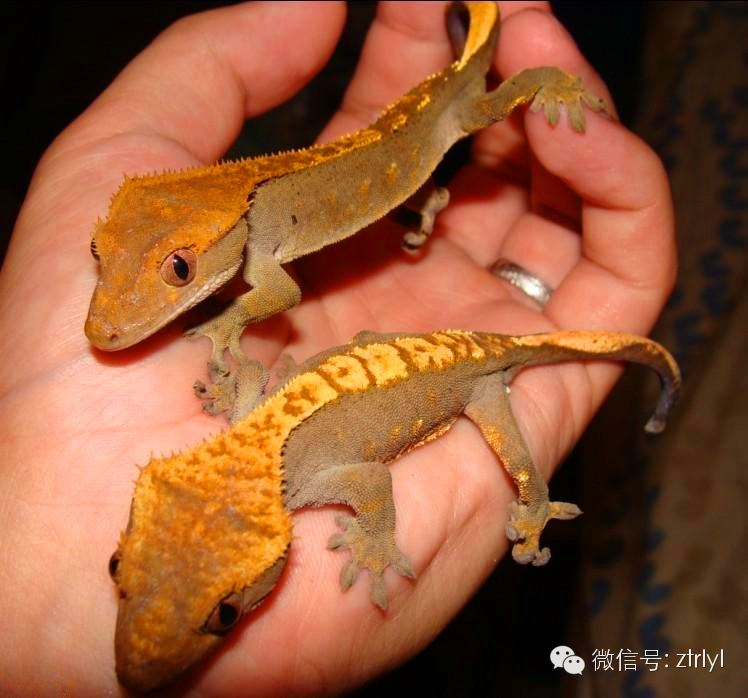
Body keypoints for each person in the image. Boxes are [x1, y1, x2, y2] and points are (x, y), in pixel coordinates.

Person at [0, 2, 675, 695]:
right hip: (404, 336)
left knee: (474, 112)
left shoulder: (263, 292)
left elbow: (289, 339)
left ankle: (522, 83)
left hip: (429, 207)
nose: (104, 322)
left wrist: (233, 333)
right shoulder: (249, 438)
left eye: (178, 270)